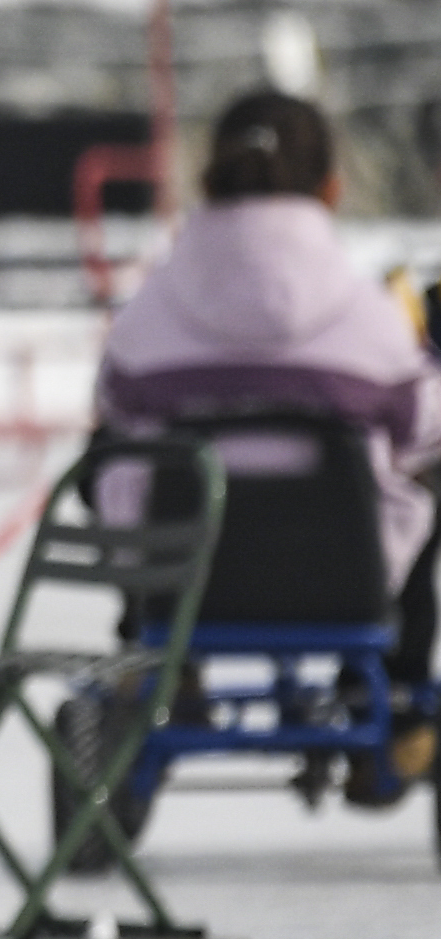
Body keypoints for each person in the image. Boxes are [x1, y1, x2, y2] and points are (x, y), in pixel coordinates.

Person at [96, 90, 441, 789]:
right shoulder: (368, 318)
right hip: (346, 572)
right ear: (332, 189)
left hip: (183, 576)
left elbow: (111, 406)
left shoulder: (150, 312)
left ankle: (159, 660)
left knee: (115, 456)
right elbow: (422, 424)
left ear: (209, 179)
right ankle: (394, 690)